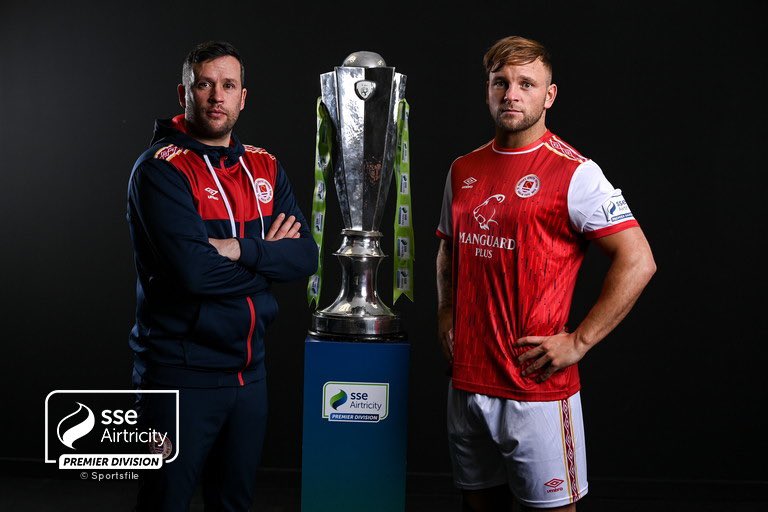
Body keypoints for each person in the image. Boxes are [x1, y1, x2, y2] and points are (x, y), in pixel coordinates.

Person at [435, 35, 656, 511]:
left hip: (534, 390)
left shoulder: (576, 173)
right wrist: (446, 311)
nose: (511, 94)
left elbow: (639, 260)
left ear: (548, 95)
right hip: (468, 383)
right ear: (488, 90)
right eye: (501, 83)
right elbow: (448, 249)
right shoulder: (462, 169)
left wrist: (578, 342)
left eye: (525, 84)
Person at [126, 40, 317, 511]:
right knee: (163, 502)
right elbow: (194, 274)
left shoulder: (265, 165)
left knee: (233, 504)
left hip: (249, 376)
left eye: (228, 86)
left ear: (243, 97)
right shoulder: (159, 170)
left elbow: (306, 256)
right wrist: (267, 260)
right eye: (205, 84)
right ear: (183, 92)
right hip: (178, 376)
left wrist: (237, 250)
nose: (216, 96)